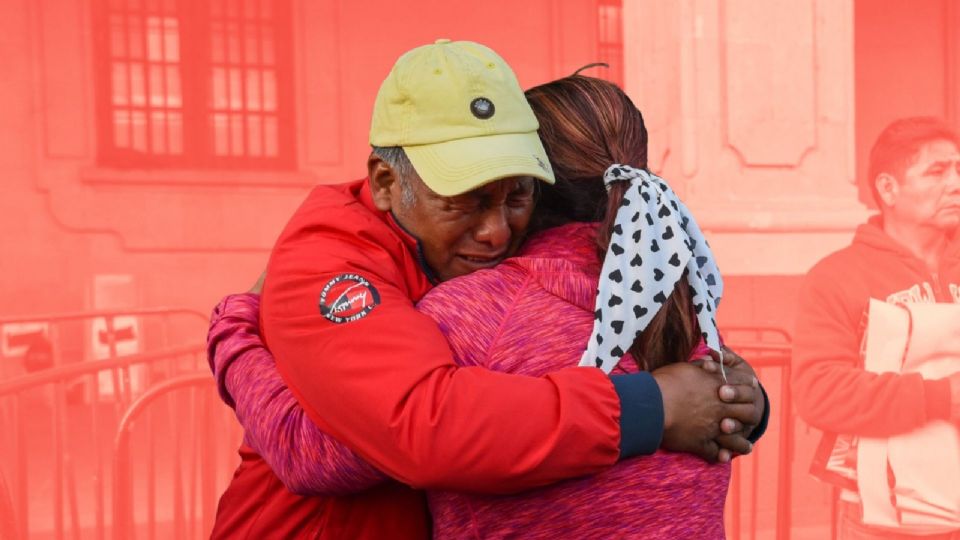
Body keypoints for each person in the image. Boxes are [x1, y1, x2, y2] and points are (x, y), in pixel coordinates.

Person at [208, 40, 768, 538]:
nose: (496, 230)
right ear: (384, 182)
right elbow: (411, 428)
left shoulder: (477, 308)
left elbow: (319, 453)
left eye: (515, 195)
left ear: (543, 188)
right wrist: (662, 404)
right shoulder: (665, 293)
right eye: (466, 198)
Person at [793, 116, 960, 539]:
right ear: (888, 189)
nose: (955, 183)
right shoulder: (837, 277)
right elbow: (820, 393)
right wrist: (942, 397)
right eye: (937, 172)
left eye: (959, 170)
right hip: (888, 521)